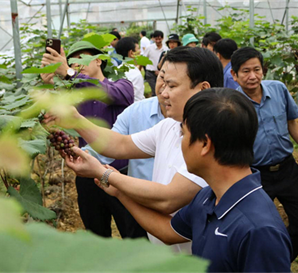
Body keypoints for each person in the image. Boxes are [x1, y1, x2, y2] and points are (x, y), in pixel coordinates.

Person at [66, 89, 293, 273]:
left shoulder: (259, 231)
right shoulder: (208, 197)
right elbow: (168, 231)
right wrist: (119, 192)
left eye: (183, 134)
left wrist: (107, 175)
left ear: (205, 144)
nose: (179, 142)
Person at [44, 46, 224, 253]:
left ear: (202, 89)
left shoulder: (212, 141)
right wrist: (75, 120)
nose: (162, 92)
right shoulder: (171, 126)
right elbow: (119, 144)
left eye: (172, 86)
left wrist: (103, 174)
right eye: (162, 82)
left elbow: (168, 199)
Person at [230, 47, 298, 261]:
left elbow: (292, 123)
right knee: (255, 225)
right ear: (234, 75)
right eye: (245, 71)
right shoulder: (232, 104)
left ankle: (281, 259)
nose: (252, 76)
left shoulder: (279, 89)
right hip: (254, 174)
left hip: (286, 169)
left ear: (263, 70)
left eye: (257, 69)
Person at [41, 41, 137, 238]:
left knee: (132, 232)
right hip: (88, 177)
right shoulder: (74, 96)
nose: (78, 64)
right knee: (95, 235)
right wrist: (48, 83)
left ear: (99, 60)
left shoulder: (122, 85)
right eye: (73, 61)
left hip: (121, 175)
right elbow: (51, 113)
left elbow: (112, 95)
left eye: (82, 58)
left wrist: (69, 72)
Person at [114, 37, 145, 101]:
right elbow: (138, 100)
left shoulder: (115, 71)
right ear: (131, 53)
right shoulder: (135, 75)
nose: (140, 51)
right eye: (138, 49)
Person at [142, 30, 168, 96]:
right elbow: (144, 59)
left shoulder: (166, 49)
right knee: (155, 91)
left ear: (162, 38)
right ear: (153, 39)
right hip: (150, 73)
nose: (158, 41)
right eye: (156, 39)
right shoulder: (149, 48)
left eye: (159, 39)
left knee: (161, 90)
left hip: (162, 73)